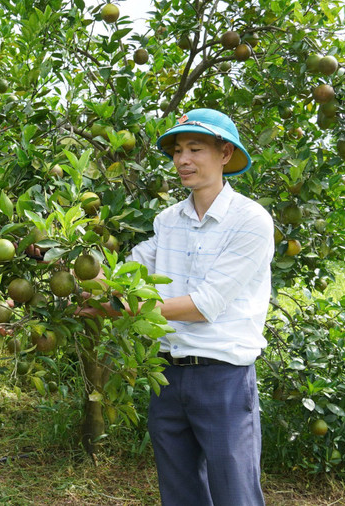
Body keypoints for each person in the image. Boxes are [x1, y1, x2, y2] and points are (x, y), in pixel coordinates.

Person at [91, 109, 273, 505]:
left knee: (235, 493)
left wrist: (131, 308)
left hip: (222, 375)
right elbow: (125, 276)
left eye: (195, 148)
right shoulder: (168, 220)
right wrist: (62, 257)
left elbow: (206, 305)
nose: (182, 160)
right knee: (180, 493)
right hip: (167, 375)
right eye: (177, 151)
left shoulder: (250, 221)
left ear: (225, 154)